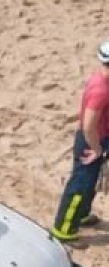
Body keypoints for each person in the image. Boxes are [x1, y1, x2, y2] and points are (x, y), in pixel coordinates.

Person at [51, 39, 109, 243]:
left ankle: (82, 215)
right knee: (80, 185)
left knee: (90, 184)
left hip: (99, 139)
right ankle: (64, 230)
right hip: (91, 142)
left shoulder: (103, 79)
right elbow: (88, 125)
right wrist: (96, 149)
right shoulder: (101, 91)